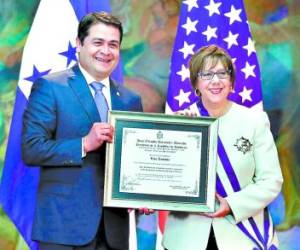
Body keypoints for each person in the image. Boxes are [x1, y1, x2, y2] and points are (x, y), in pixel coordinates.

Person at [21, 12, 143, 250]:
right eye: (98, 42)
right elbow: (31, 149)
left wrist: (144, 195)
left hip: (114, 233)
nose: (105, 51)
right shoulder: (50, 87)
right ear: (79, 43)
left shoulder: (130, 100)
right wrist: (84, 144)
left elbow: (134, 162)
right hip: (63, 230)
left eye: (113, 45)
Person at [162, 45, 283, 250]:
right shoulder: (178, 121)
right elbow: (163, 179)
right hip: (186, 238)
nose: (215, 80)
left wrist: (233, 205)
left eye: (222, 73)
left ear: (231, 82)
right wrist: (179, 135)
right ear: (196, 83)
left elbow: (271, 180)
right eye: (207, 74)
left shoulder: (254, 120)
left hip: (242, 235)